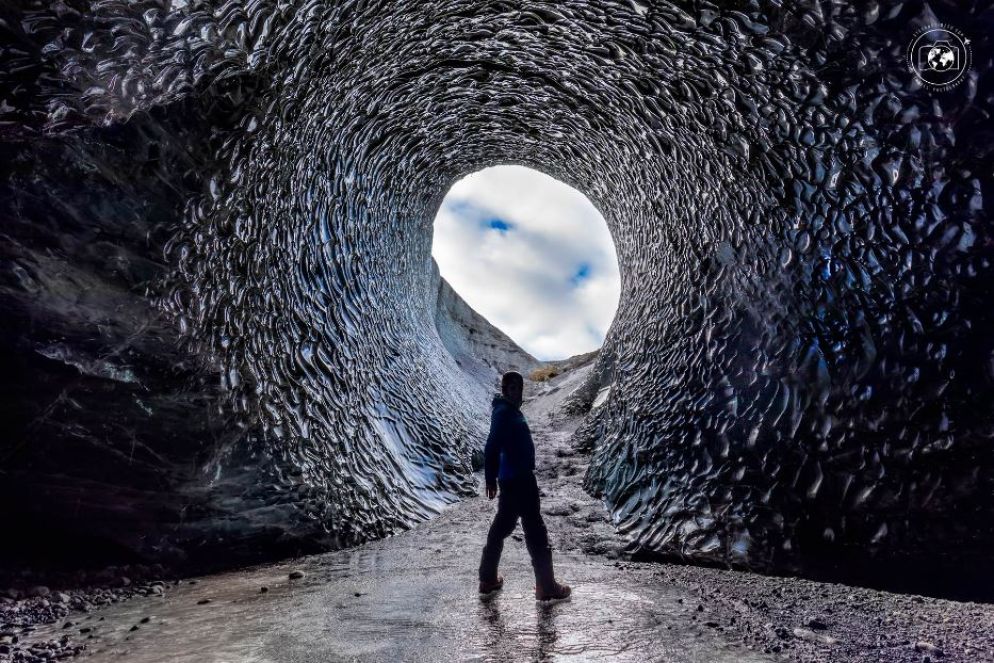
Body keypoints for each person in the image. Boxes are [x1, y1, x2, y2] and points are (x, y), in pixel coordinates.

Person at [478, 370, 571, 601]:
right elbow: (491, 446)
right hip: (519, 480)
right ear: (505, 390)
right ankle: (547, 587)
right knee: (536, 531)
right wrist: (490, 478)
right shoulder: (503, 413)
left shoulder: (507, 411)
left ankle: (488, 579)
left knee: (501, 528)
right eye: (512, 388)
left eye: (519, 388)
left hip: (512, 479)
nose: (517, 392)